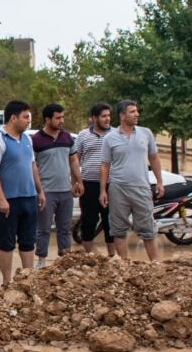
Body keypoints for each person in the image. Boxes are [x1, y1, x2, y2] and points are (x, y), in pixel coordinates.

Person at [0, 101, 45, 286]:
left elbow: (32, 166)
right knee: (6, 242)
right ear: (13, 118)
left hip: (28, 197)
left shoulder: (27, 139)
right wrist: (1, 199)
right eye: (25, 117)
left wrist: (39, 191)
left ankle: (28, 279)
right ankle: (6, 282)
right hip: (7, 201)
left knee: (28, 240)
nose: (29, 121)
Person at [99, 100, 164, 261]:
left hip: (141, 187)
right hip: (118, 188)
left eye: (137, 111)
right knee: (119, 229)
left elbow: (154, 158)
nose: (137, 114)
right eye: (132, 111)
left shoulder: (146, 133)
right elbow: (105, 166)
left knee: (148, 229)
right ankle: (124, 266)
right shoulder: (110, 138)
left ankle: (155, 265)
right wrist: (102, 191)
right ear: (122, 115)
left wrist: (160, 182)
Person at [31, 103, 81, 265]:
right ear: (48, 119)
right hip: (46, 192)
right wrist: (39, 191)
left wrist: (77, 182)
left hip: (66, 191)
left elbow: (73, 160)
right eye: (58, 118)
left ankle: (65, 260)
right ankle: (41, 260)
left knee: (65, 228)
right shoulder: (36, 140)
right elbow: (33, 167)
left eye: (62, 117)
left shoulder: (66, 137)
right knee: (44, 229)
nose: (61, 121)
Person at [72, 102, 115, 256]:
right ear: (94, 118)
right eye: (103, 116)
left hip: (112, 185)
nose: (107, 119)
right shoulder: (83, 135)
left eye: (109, 116)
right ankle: (88, 257)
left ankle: (112, 257)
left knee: (110, 221)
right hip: (88, 185)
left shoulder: (116, 134)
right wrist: (76, 182)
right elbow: (75, 159)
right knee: (88, 221)